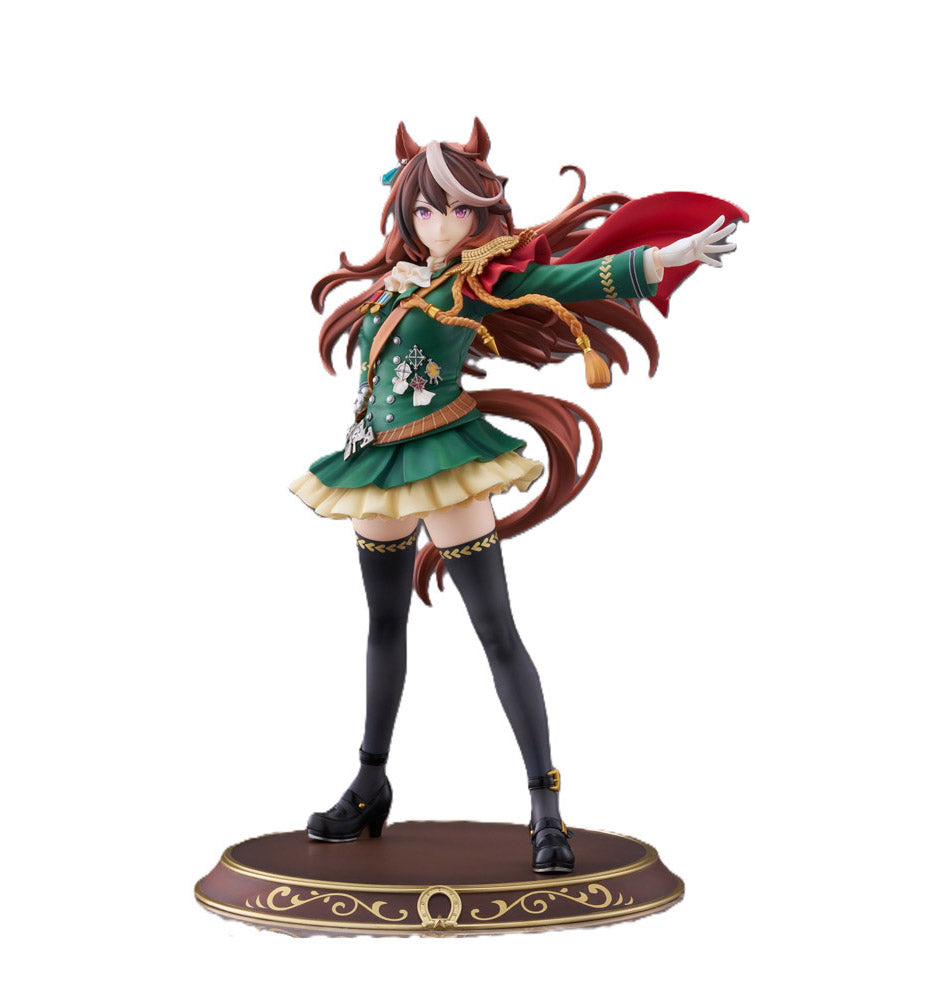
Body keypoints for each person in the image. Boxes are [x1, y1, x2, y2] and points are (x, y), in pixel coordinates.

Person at [290, 119, 743, 873]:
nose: (439, 225)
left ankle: (545, 806)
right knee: (383, 625)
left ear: (478, 214)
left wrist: (666, 258)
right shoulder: (394, 285)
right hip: (372, 465)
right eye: (425, 210)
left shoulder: (480, 280)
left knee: (496, 632)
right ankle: (369, 784)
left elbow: (566, 281)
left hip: (443, 459)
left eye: (455, 210)